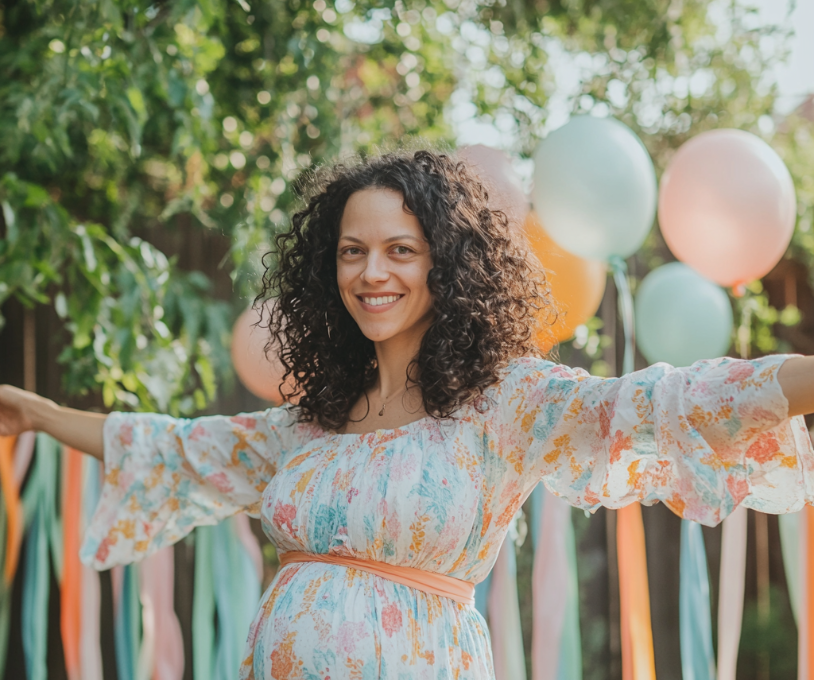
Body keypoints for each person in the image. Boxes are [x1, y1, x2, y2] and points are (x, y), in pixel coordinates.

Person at [1, 148, 813, 680]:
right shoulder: (311, 422)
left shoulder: (506, 402)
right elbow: (180, 449)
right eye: (352, 251)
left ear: (447, 266)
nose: (371, 272)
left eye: (401, 250)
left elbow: (656, 404)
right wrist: (36, 413)